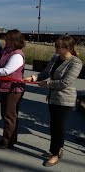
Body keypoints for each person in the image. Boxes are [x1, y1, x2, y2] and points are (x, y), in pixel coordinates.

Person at [24, 36, 83, 167]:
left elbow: (65, 82)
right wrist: (33, 77)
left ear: (67, 48)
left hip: (64, 100)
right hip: (53, 98)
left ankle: (55, 154)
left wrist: (47, 84)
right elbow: (45, 73)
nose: (55, 48)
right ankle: (57, 149)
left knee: (58, 127)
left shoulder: (76, 62)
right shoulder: (55, 58)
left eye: (58, 46)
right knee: (54, 126)